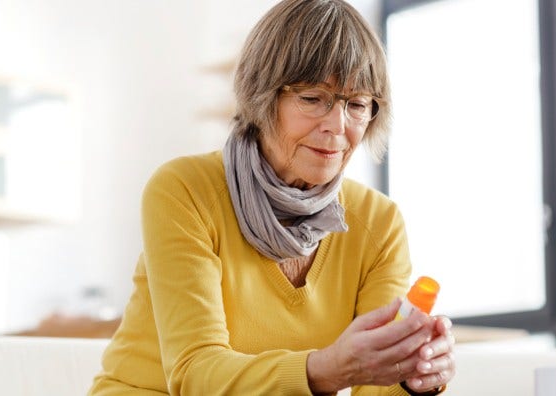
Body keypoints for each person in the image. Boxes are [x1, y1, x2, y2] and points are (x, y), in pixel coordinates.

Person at [89, 0, 456, 394]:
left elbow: (375, 388)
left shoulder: (378, 223)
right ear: (262, 98)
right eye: (313, 98)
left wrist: (410, 376)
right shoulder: (184, 190)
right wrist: (326, 369)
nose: (337, 125)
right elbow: (195, 372)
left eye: (357, 104)